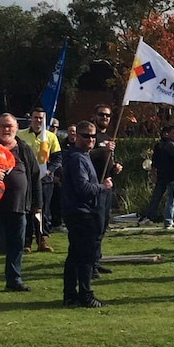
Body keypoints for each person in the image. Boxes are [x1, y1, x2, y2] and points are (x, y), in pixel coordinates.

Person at [0, 113, 41, 295]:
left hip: (18, 206)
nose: (6, 129)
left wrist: (37, 204)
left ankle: (14, 280)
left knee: (17, 245)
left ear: (16, 128)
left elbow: (35, 177)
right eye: (2, 126)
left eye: (10, 126)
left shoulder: (24, 148)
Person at [60, 120, 109, 308]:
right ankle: (85, 294)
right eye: (86, 136)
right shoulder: (78, 158)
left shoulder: (83, 156)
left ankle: (71, 295)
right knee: (85, 256)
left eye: (93, 136)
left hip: (80, 212)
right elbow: (83, 187)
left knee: (75, 255)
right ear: (76, 137)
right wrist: (102, 187)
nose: (90, 139)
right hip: (82, 213)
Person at [18, 106, 62, 253]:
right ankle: (27, 241)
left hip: (45, 180)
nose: (38, 120)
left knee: (43, 211)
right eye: (36, 117)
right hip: (27, 180)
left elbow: (57, 158)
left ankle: (42, 239)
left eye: (41, 118)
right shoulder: (20, 135)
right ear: (31, 118)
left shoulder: (50, 137)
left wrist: (49, 171)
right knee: (28, 209)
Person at [89, 104, 123, 276]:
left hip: (107, 186)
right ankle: (90, 265)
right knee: (94, 226)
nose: (105, 118)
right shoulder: (91, 135)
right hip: (95, 186)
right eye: (101, 115)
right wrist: (103, 149)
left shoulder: (109, 136)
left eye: (108, 116)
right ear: (95, 116)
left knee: (103, 225)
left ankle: (97, 260)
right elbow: (85, 155)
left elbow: (108, 159)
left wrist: (115, 167)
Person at [142, 124, 174, 229]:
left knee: (171, 199)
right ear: (167, 134)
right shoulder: (171, 145)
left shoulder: (159, 145)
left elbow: (155, 161)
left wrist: (154, 172)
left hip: (166, 177)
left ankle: (168, 221)